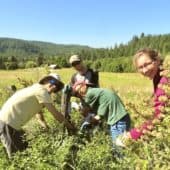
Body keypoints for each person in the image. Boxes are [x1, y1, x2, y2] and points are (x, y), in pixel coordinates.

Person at [0, 73, 75, 158]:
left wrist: (44, 126)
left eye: (57, 86)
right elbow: (55, 114)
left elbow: (38, 112)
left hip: (9, 123)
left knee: (24, 150)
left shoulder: (35, 88)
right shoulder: (42, 91)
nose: (54, 86)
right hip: (8, 124)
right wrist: (70, 127)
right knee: (17, 157)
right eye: (53, 81)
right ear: (45, 80)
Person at [118, 48, 170, 145]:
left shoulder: (165, 79)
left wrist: (132, 135)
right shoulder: (158, 77)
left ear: (157, 60)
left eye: (147, 64)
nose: (144, 70)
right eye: (140, 67)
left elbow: (158, 113)